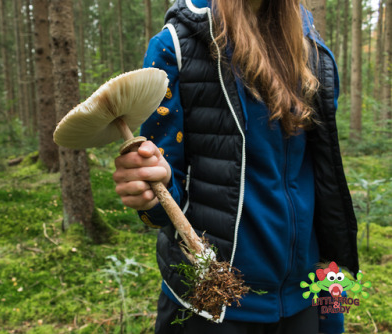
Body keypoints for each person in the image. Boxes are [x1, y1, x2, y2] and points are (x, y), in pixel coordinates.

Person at [113, 0, 359, 333]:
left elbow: (322, 187)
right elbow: (163, 193)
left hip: (308, 293)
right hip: (214, 304)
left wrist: (333, 301)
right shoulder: (176, 46)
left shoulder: (311, 50)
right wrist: (152, 192)